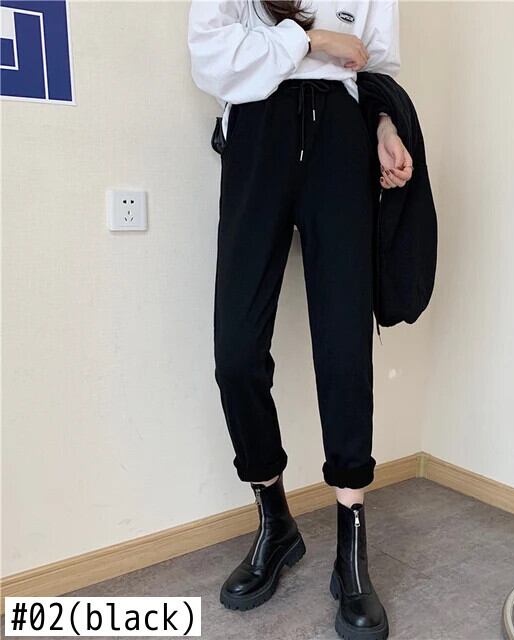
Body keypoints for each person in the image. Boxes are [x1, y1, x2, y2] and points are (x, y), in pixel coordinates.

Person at [188, 2, 413, 638]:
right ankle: (276, 521)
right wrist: (311, 40)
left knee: (344, 347)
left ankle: (351, 549)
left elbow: (375, 66)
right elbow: (210, 59)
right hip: (256, 131)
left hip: (341, 134)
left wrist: (385, 126)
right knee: (236, 352)